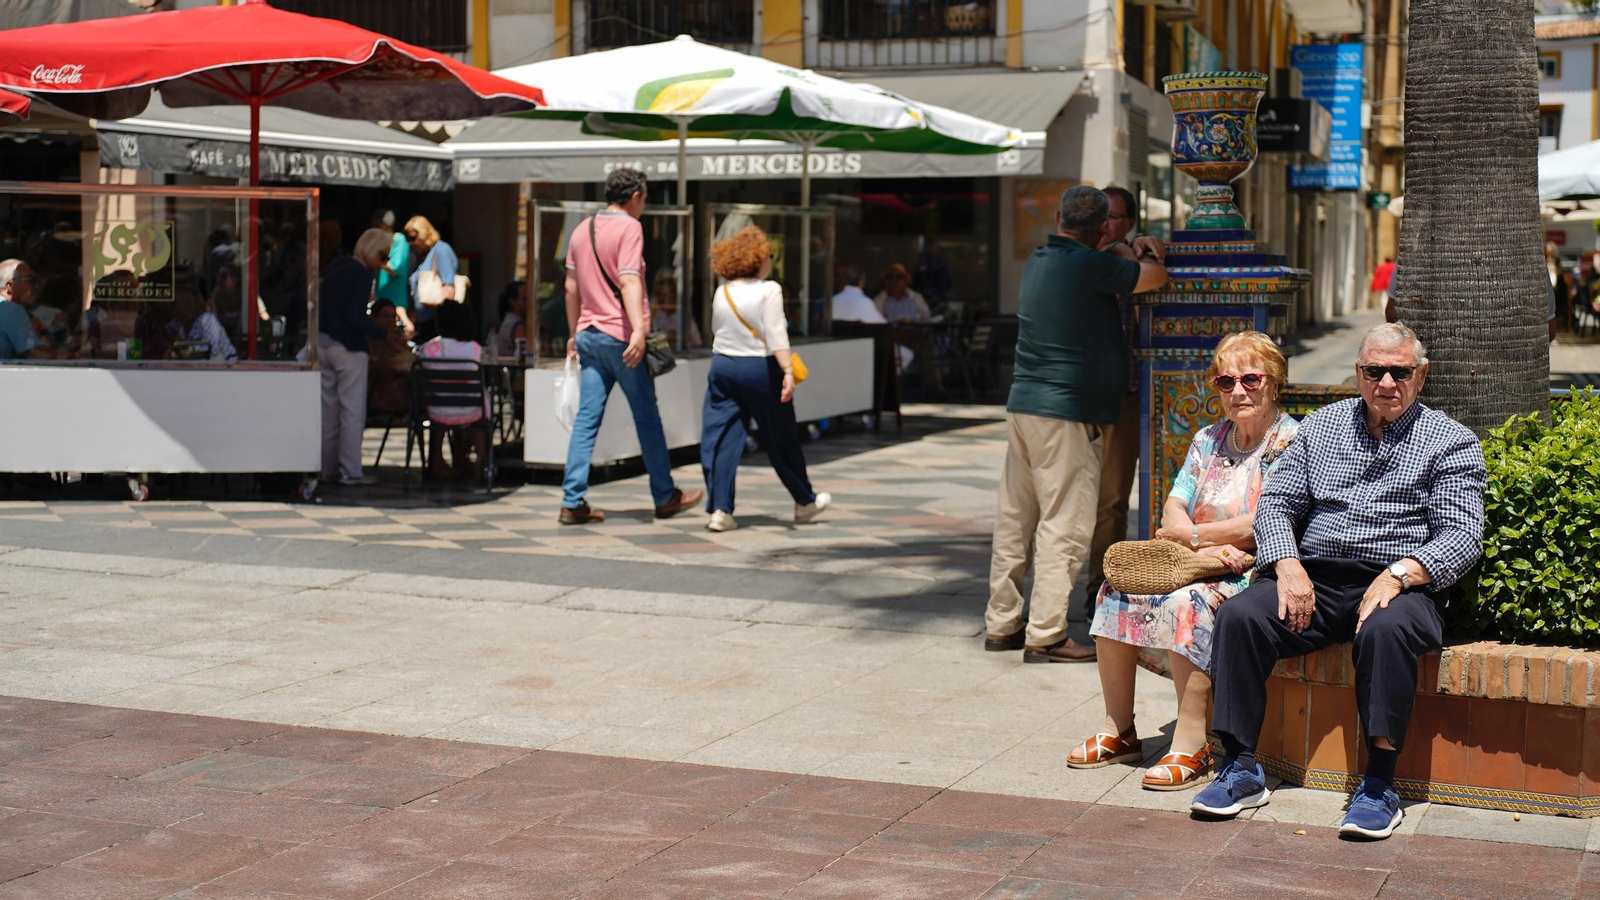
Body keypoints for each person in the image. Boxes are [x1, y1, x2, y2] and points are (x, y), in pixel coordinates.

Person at [1192, 322, 1486, 841]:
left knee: (1385, 631)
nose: (1387, 382)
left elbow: (1462, 535)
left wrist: (1399, 575)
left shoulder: (1451, 441)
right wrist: (1287, 564)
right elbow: (1278, 504)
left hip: (1402, 583)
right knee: (1240, 616)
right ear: (1359, 373)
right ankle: (1239, 767)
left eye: (1399, 372)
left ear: (1421, 376)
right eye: (1375, 370)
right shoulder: (1322, 428)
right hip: (1317, 578)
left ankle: (1379, 785)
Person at [1069, 332, 1299, 790]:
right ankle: (1121, 730)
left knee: (1189, 602)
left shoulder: (1290, 440)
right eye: (1225, 380)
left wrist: (1193, 535)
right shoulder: (1208, 438)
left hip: (1254, 567)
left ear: (1274, 382)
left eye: (1250, 379)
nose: (1237, 391)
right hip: (1201, 558)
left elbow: (1266, 520)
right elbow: (1175, 505)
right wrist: (1199, 543)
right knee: (1114, 589)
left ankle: (1192, 743)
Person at [984, 186, 1168, 663]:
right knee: (1065, 524)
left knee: (1015, 519)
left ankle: (1002, 623)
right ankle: (1046, 633)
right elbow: (1156, 276)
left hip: (1024, 404)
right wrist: (1133, 247)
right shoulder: (1091, 265)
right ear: (1104, 227)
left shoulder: (1040, 258)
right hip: (1067, 412)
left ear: (1058, 216)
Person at [559, 167, 702, 524]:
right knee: (647, 418)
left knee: (586, 420)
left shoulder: (581, 229)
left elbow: (570, 287)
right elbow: (629, 280)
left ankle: (571, 500)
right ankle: (664, 494)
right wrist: (638, 329)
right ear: (635, 195)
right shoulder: (629, 228)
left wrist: (574, 331)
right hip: (620, 338)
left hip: (589, 335)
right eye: (646, 197)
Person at [700, 225, 832, 533]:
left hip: (722, 367)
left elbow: (715, 328)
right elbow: (775, 332)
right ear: (758, 258)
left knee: (721, 439)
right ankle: (804, 500)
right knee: (781, 436)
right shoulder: (769, 289)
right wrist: (787, 369)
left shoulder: (723, 290)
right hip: (760, 368)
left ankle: (720, 509)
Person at [1083, 185, 1146, 646]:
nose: (1110, 224)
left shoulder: (1140, 262)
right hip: (1088, 397)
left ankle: (1111, 587)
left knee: (1116, 499)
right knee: (1089, 500)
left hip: (1132, 394)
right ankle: (1089, 587)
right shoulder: (1086, 263)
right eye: (1103, 216)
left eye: (1119, 217)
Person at [317, 228, 391, 486]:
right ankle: (350, 471)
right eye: (383, 256)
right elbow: (355, 316)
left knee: (328, 412)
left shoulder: (335, 267)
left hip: (322, 343)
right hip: (348, 348)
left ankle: (326, 469)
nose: (384, 263)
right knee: (351, 413)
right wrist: (381, 331)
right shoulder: (361, 275)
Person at [418, 300, 492, 482]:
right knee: (478, 408)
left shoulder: (428, 349)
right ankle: (481, 461)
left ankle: (436, 460)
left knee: (442, 403)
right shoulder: (474, 349)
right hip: (472, 411)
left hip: (437, 411)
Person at [833, 261, 913, 371]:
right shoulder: (865, 302)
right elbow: (884, 327)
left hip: (837, 349)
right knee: (907, 354)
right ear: (863, 282)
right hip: (863, 350)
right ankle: (887, 385)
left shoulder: (834, 301)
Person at [405, 214, 455, 340]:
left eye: (413, 238)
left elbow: (448, 289)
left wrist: (444, 324)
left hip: (437, 323)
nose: (410, 243)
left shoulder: (441, 250)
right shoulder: (421, 257)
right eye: (408, 239)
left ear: (423, 234)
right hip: (424, 322)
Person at [0, 259, 61, 361]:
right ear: (10, 286)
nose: (37, 287)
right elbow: (33, 353)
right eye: (31, 281)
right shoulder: (12, 309)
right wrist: (75, 357)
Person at [168, 281, 238, 360]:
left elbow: (213, 350)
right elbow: (167, 333)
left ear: (185, 304)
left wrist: (190, 347)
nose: (170, 307)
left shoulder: (207, 320)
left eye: (173, 303)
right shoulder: (178, 322)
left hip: (224, 366)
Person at [373, 209, 414, 339]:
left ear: (388, 224)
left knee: (403, 333)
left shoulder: (399, 240)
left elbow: (394, 269)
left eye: (377, 226)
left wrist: (375, 261)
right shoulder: (380, 243)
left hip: (395, 301)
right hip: (380, 300)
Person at [366, 300, 411, 417]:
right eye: (386, 316)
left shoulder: (400, 340)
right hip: (383, 397)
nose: (390, 320)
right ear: (374, 317)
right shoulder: (369, 342)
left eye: (393, 316)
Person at [494, 280, 528, 359]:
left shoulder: (509, 319)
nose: (528, 302)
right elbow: (524, 355)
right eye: (524, 299)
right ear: (512, 301)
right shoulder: (517, 324)